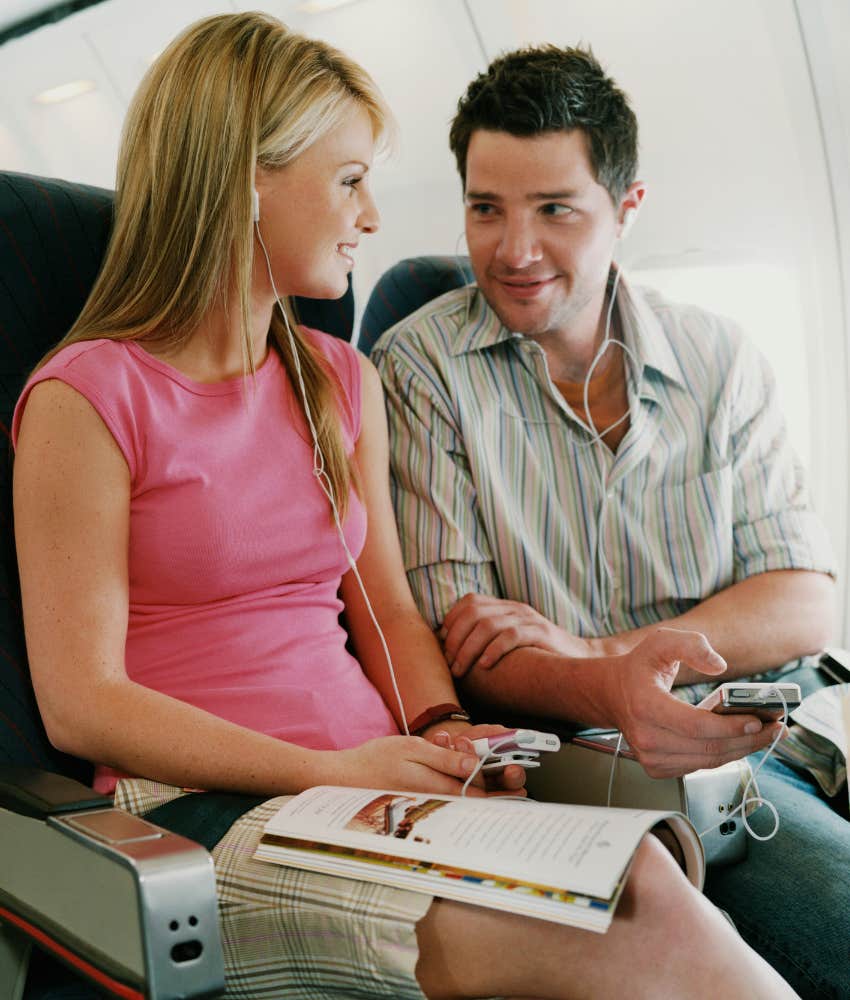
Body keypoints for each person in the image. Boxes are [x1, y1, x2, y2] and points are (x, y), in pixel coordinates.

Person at [11, 14, 795, 1000]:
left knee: (641, 874)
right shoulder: (87, 395)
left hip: (369, 778)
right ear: (244, 181)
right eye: (348, 179)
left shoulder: (338, 379)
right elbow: (82, 701)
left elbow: (380, 606)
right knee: (611, 926)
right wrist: (324, 768)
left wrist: (439, 724)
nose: (371, 215)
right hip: (199, 810)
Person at [372, 44, 848, 999]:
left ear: (627, 209)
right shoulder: (418, 369)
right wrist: (609, 684)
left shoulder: (719, 358)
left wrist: (599, 646)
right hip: (648, 771)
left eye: (555, 209)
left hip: (803, 714)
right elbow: (463, 640)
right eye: (486, 208)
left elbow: (802, 602)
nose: (514, 249)